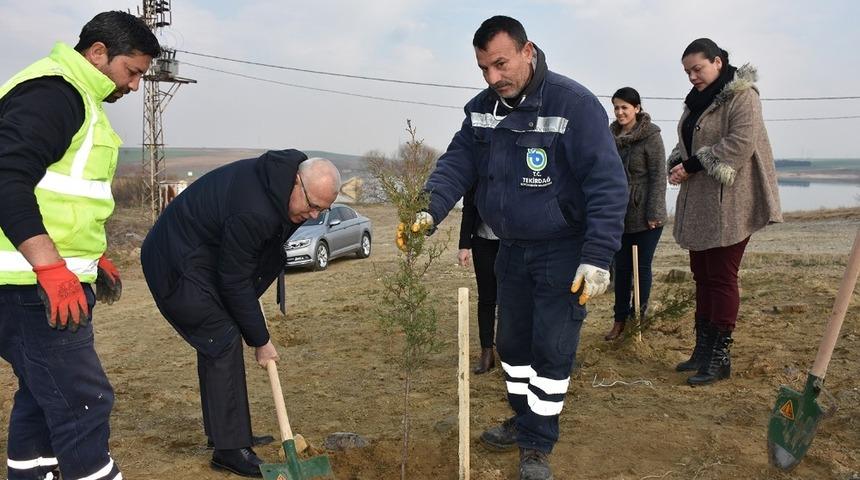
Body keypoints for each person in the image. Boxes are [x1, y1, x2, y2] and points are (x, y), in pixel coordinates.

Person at [399, 16, 627, 480]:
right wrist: (428, 210)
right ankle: (523, 419)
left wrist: (598, 256)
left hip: (563, 251)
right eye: (483, 68)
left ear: (528, 51)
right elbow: (457, 163)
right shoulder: (483, 109)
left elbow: (607, 184)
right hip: (511, 248)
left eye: (500, 64)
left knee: (551, 347)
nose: (492, 78)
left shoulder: (574, 105)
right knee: (512, 346)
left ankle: (538, 445)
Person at [0, 11, 158, 480]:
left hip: (39, 281)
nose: (134, 87)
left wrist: (93, 259)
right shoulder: (56, 94)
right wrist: (51, 267)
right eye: (133, 72)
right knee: (84, 401)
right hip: (32, 287)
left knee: (41, 392)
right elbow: (7, 177)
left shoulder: (76, 97)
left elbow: (64, 199)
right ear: (98, 53)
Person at [140, 151, 340, 477]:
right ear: (296, 181)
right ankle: (230, 450)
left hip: (204, 255)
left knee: (220, 335)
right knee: (220, 336)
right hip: (175, 261)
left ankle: (229, 434)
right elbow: (233, 280)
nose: (313, 215)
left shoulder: (283, 194)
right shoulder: (255, 209)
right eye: (312, 205)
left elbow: (253, 259)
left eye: (322, 209)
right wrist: (261, 340)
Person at [668, 38, 782, 385]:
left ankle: (720, 358)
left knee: (721, 276)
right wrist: (676, 162)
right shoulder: (697, 101)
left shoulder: (742, 96)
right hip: (701, 200)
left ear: (717, 62)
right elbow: (686, 141)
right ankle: (702, 351)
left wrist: (691, 165)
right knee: (702, 274)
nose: (692, 77)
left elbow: (740, 143)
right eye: (687, 72)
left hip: (732, 201)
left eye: (697, 69)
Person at [604, 87, 667, 341]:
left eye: (625, 108)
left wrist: (654, 211)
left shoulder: (651, 136)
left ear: (637, 109)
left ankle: (637, 320)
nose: (620, 112)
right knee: (620, 270)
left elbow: (658, 176)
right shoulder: (609, 136)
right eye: (616, 107)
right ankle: (619, 320)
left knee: (640, 269)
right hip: (618, 213)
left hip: (645, 215)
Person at [457, 187, 500, 374]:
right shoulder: (477, 168)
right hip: (482, 242)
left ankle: (511, 352)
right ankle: (487, 353)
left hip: (513, 242)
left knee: (512, 299)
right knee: (486, 298)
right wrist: (464, 245)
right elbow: (468, 208)